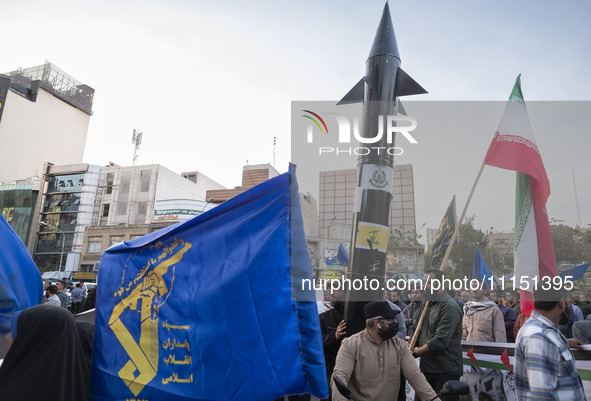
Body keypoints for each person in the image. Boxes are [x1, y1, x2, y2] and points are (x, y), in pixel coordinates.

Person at [331, 301, 440, 401]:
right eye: (390, 319)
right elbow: (339, 377)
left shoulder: (400, 346)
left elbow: (416, 377)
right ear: (377, 323)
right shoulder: (350, 345)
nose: (395, 322)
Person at [0, 305, 90, 400]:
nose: (7, 337)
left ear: (32, 342)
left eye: (14, 332)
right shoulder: (82, 386)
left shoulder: (12, 392)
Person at [515, 287, 586, 400]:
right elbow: (541, 395)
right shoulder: (538, 337)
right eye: (568, 302)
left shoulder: (543, 332)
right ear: (561, 303)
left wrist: (564, 343)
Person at [412, 270, 463, 401]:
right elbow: (416, 334)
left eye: (429, 283)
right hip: (426, 368)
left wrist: (414, 354)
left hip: (445, 370)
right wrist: (406, 348)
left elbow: (440, 341)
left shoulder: (449, 307)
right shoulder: (426, 304)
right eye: (424, 282)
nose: (424, 286)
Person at [319, 284, 348, 400]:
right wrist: (334, 336)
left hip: (350, 371)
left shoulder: (356, 318)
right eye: (331, 290)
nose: (332, 293)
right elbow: (317, 343)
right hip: (329, 370)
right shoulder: (323, 318)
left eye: (336, 289)